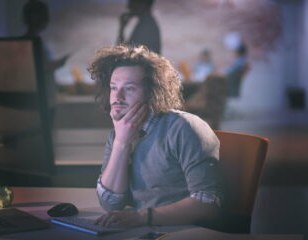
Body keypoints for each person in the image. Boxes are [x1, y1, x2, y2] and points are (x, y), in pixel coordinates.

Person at [88, 45, 223, 228]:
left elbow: (207, 204)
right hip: (142, 230)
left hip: (182, 232)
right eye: (113, 88)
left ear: (152, 92)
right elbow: (110, 203)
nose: (117, 97)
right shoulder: (119, 133)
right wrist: (121, 142)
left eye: (128, 88)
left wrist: (141, 218)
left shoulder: (183, 128)